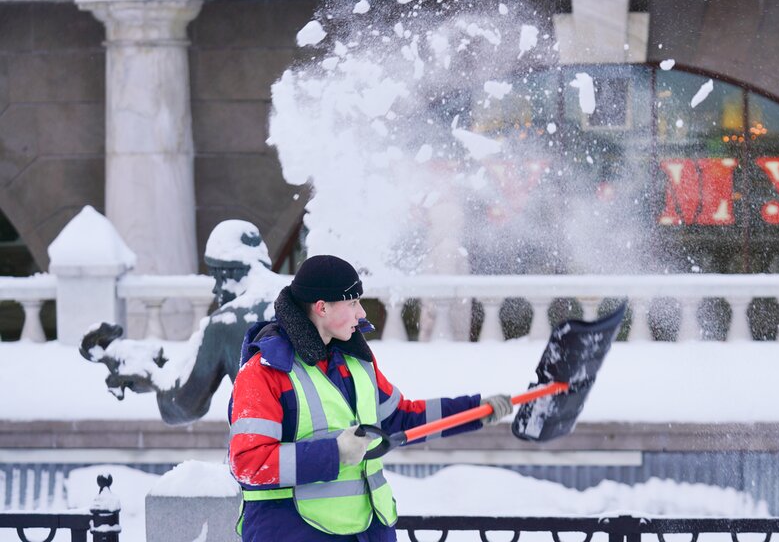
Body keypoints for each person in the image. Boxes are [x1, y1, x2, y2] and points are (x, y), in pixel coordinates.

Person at [229, 255, 513, 541]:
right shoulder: (265, 372)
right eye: (352, 303)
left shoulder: (355, 362)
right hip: (292, 531)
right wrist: (334, 452)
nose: (362, 313)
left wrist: (474, 411)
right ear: (322, 307)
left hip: (366, 530)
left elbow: (400, 419)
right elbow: (248, 464)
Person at [80, 220, 280, 425]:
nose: (215, 290)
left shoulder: (225, 322)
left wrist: (149, 375)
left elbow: (183, 405)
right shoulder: (301, 298)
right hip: (311, 448)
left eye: (216, 278)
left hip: (262, 449)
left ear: (228, 274)